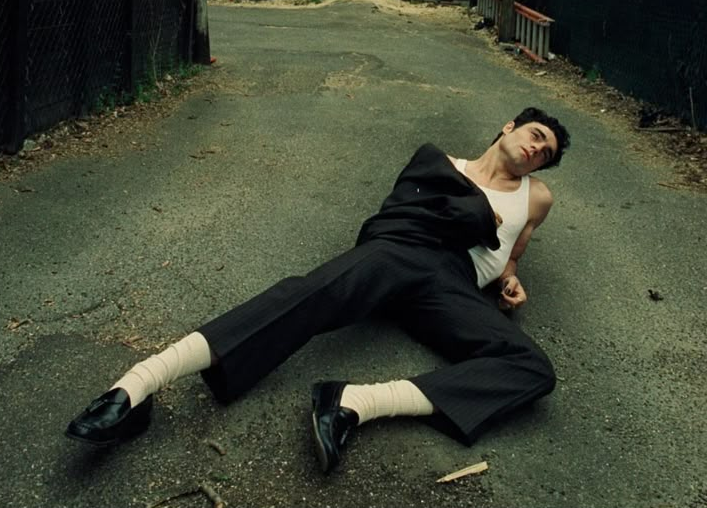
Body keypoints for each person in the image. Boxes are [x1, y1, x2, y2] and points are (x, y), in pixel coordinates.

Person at [66, 106, 570, 473]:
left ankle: (352, 402)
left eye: (544, 154)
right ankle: (137, 386)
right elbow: (398, 214)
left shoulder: (536, 199)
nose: (535, 150)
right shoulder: (441, 165)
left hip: (452, 283)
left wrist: (509, 281)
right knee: (310, 295)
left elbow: (511, 254)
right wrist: (478, 213)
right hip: (403, 248)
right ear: (508, 126)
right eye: (535, 135)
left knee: (532, 369)